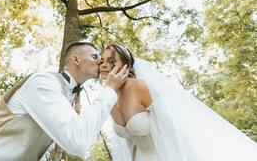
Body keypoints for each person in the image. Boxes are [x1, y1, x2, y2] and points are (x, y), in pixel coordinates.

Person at [0, 41, 129, 161]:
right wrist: (110, 90)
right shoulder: (43, 83)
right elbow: (76, 141)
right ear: (76, 60)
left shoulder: (67, 99)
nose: (100, 61)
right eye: (94, 56)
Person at [99, 43, 257, 161]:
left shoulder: (138, 86)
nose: (105, 65)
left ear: (126, 66)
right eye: (102, 61)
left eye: (112, 60)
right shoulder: (109, 97)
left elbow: (175, 125)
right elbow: (130, 141)